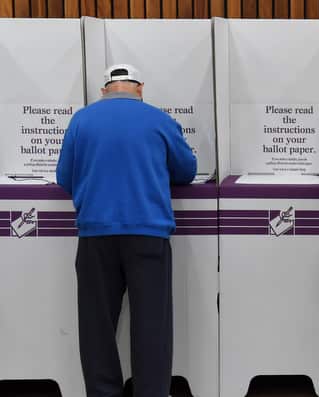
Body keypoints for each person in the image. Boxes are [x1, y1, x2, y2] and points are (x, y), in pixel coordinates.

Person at [56, 64, 197, 397]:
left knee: (97, 326)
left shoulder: (81, 120)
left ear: (104, 90)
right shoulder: (159, 120)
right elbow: (187, 171)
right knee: (152, 324)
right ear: (140, 88)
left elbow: (64, 177)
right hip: (148, 232)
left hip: (95, 234)